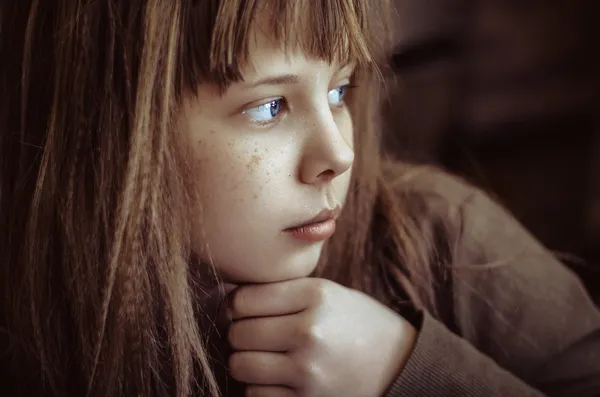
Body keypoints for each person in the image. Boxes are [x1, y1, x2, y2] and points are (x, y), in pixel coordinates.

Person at [0, 1, 598, 397]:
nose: (338, 154)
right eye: (269, 107)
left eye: (339, 89)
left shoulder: (444, 236)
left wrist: (406, 372)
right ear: (112, 133)